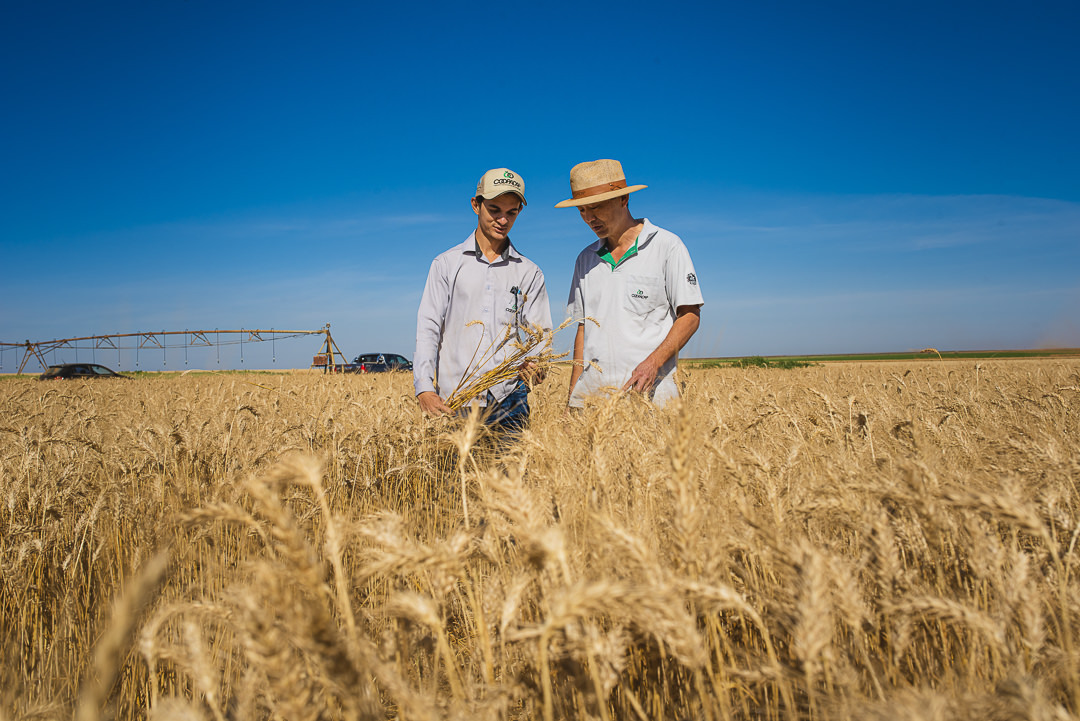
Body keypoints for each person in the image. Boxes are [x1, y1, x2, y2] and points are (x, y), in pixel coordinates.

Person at [557, 159, 703, 408]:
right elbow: (583, 331)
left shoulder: (667, 246)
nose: (589, 218)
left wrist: (653, 363)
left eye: (596, 207)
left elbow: (690, 315)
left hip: (652, 399)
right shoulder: (584, 260)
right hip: (593, 402)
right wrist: (573, 398)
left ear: (623, 200)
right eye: (581, 210)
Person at [414, 168, 552, 432]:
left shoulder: (529, 272)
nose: (503, 219)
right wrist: (424, 388)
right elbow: (428, 326)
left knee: (511, 474)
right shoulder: (446, 264)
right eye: (494, 209)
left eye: (511, 212)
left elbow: (541, 334)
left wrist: (537, 365)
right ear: (476, 205)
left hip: (510, 399)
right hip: (456, 399)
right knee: (456, 474)